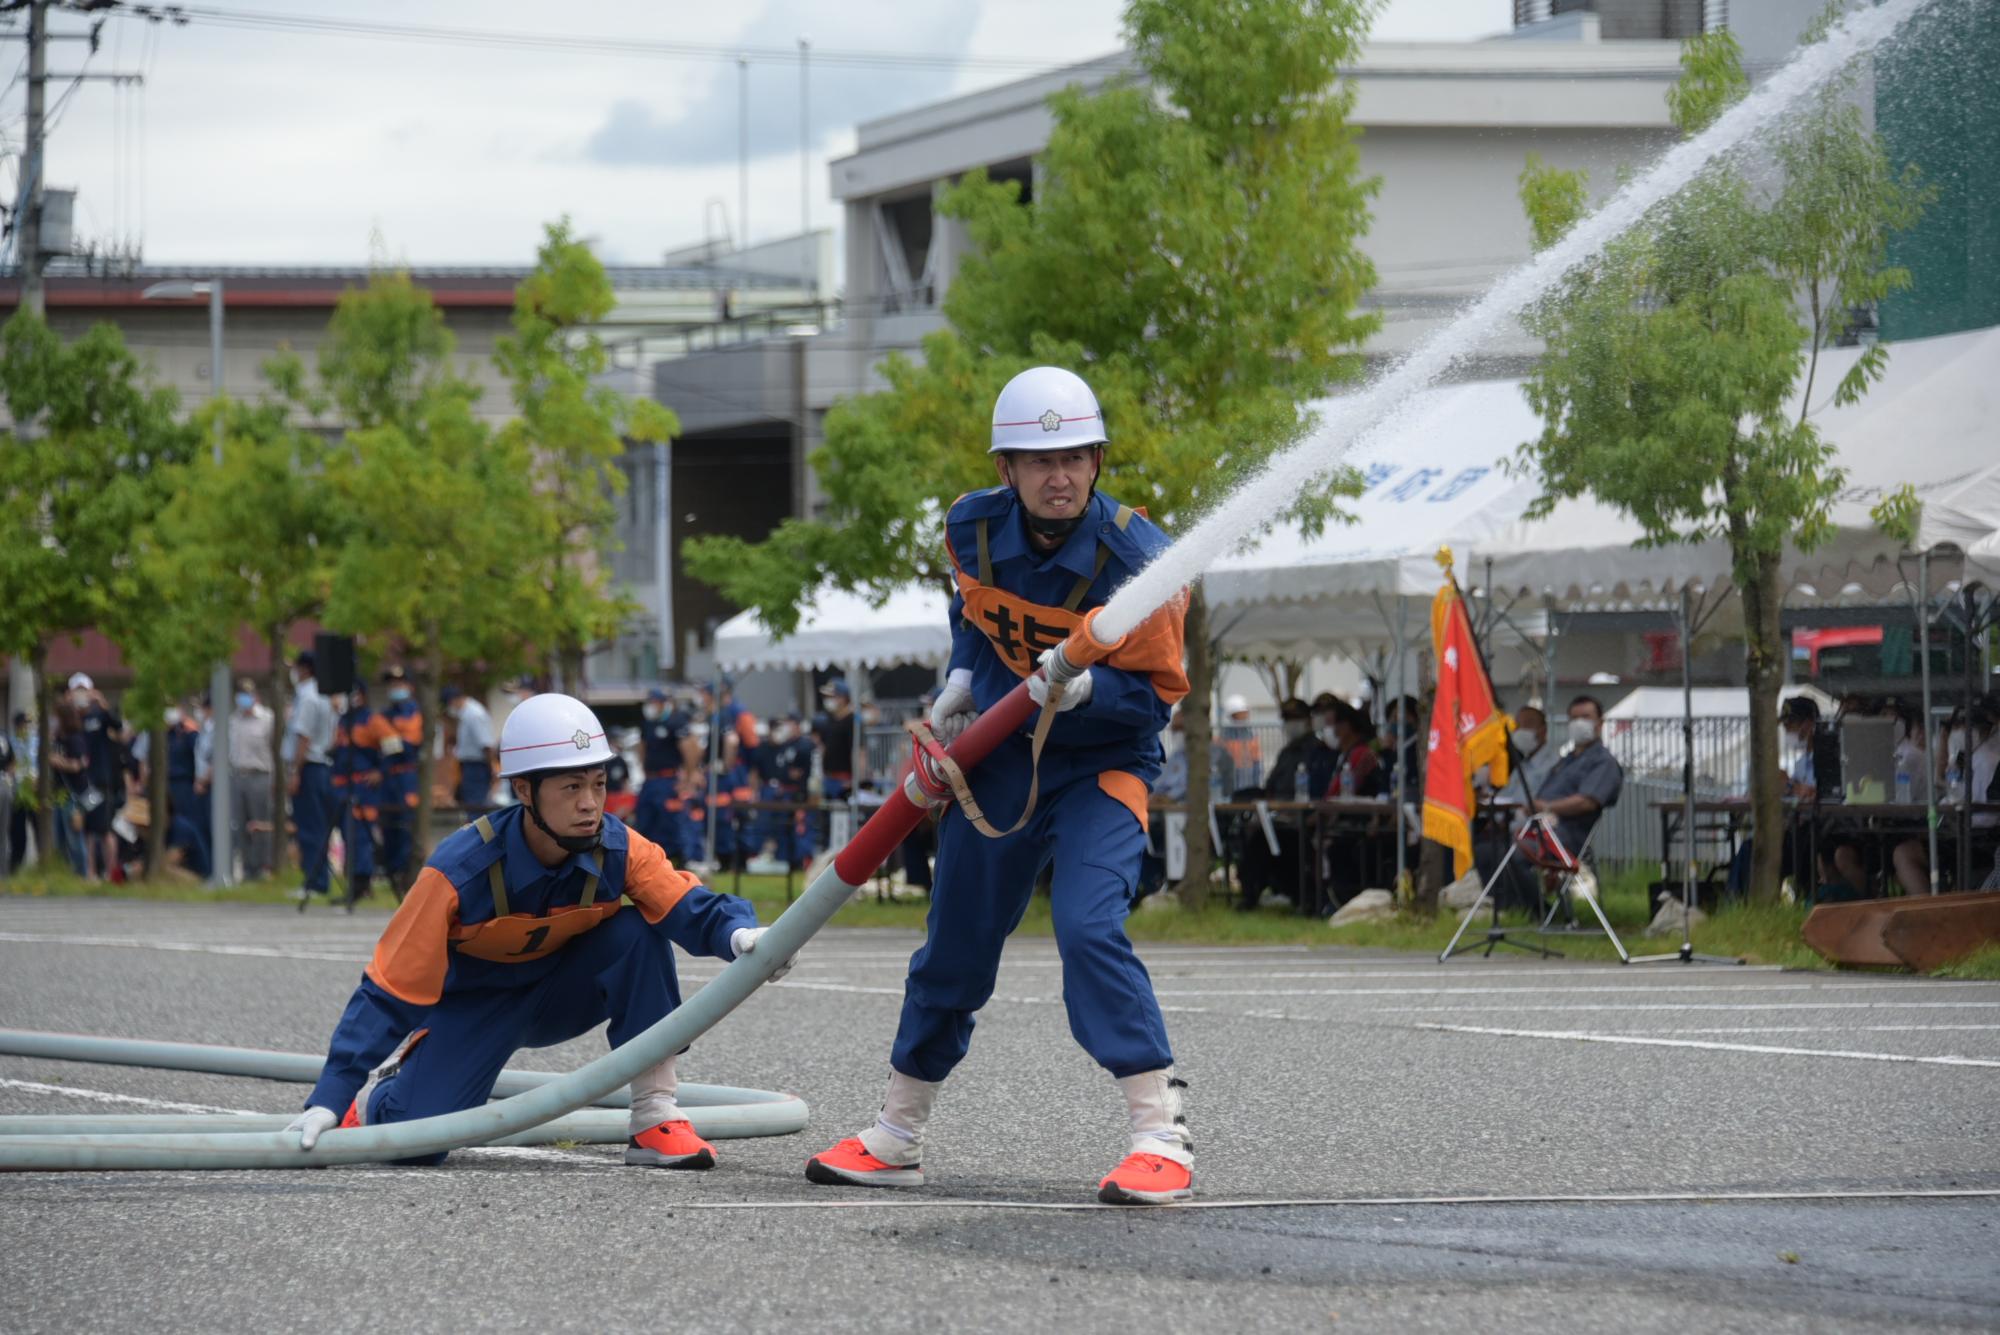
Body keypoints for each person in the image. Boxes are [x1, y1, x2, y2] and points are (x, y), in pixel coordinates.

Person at [806, 365, 1194, 1206]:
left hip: (1105, 763)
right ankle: (899, 1132)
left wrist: (1089, 687)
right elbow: (974, 615)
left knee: (1090, 925)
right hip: (1005, 755)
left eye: (1075, 458)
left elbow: (1159, 696)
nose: (1059, 476)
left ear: (1098, 461)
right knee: (953, 943)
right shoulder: (971, 528)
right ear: (1006, 470)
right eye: (1037, 460)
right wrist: (959, 677)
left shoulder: (1144, 559)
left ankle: (1159, 1130)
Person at [284, 693, 792, 1168]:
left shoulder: (618, 847)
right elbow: (389, 987)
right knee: (416, 1146)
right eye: (571, 788)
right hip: (474, 1008)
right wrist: (331, 1094)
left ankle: (654, 1116)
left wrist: (746, 937)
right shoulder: (457, 870)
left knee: (639, 930)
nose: (591, 803)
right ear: (524, 790)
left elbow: (687, 904)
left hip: (561, 995)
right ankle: (382, 1098)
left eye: (598, 783)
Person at [1234, 698, 1332, 912]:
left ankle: (1299, 896)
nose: (1290, 723)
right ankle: (1252, 893)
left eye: (1295, 718)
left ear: (1307, 720)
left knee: (1275, 845)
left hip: (1304, 819)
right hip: (1278, 818)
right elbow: (1270, 787)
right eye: (1287, 719)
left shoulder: (1319, 751)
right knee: (1254, 840)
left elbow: (1320, 791)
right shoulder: (1286, 753)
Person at [333, 679, 402, 912]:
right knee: (347, 835)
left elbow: (394, 748)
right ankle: (352, 881)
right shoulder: (343, 720)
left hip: (364, 788)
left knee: (361, 835)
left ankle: (362, 882)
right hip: (344, 786)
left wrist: (379, 772)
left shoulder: (373, 720)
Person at [1532, 695, 1623, 863]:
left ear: (1600, 723)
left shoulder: (1603, 762)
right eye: (1574, 718)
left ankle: (1529, 890)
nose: (1579, 723)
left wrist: (1547, 807)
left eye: (1586, 717)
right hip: (1539, 826)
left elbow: (1587, 802)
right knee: (1488, 848)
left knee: (1516, 850)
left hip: (1564, 834)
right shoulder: (1566, 760)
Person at [285, 652, 339, 907]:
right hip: (324, 766)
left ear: (304, 669)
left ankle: (315, 881)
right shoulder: (326, 694)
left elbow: (302, 737)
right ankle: (320, 878)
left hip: (309, 766)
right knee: (319, 826)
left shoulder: (307, 696)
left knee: (309, 827)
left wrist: (294, 770)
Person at [68, 674, 125, 882]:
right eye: (78, 691)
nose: (82, 695)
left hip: (101, 780)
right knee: (88, 830)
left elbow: (118, 726)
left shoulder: (99, 715)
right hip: (81, 782)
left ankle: (111, 873)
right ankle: (89, 872)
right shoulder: (72, 719)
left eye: (85, 690)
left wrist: (103, 703)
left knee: (106, 828)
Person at [376, 666, 423, 897]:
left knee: (406, 828)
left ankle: (407, 876)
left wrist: (390, 739)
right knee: (387, 828)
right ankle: (392, 875)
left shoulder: (415, 712)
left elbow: (409, 745)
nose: (395, 688)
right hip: (387, 778)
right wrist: (393, 740)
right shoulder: (384, 714)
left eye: (400, 683)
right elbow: (381, 744)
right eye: (391, 684)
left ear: (409, 686)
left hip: (406, 777)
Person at [227, 679, 276, 880]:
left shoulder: (268, 718)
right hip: (238, 775)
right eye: (240, 694)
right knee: (240, 824)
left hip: (260, 775)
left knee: (261, 823)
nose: (243, 698)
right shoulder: (233, 720)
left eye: (247, 693)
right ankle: (247, 868)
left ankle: (262, 866)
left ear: (255, 695)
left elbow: (275, 749)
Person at [632, 686, 689, 857]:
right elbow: (642, 747)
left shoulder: (675, 721)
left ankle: (673, 858)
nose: (651, 705)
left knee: (668, 822)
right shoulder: (648, 723)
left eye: (654, 702)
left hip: (668, 779)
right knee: (645, 820)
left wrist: (687, 776)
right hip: (650, 779)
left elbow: (689, 749)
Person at [443, 685, 498, 817]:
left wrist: (493, 767)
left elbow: (486, 745)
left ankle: (479, 836)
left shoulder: (474, 714)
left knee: (476, 806)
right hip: (469, 766)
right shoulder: (466, 714)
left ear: (455, 700)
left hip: (476, 766)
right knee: (472, 804)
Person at [1218, 694, 1263, 793]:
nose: (1245, 717)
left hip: (1249, 779)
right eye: (1240, 714)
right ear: (1232, 716)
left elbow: (1257, 762)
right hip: (1230, 780)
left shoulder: (1252, 735)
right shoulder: (1223, 736)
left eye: (1245, 713)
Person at [8, 710, 34, 872]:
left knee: (39, 828)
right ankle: (16, 866)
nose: (26, 728)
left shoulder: (36, 741)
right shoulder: (11, 743)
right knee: (18, 832)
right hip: (18, 792)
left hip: (34, 791)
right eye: (24, 724)